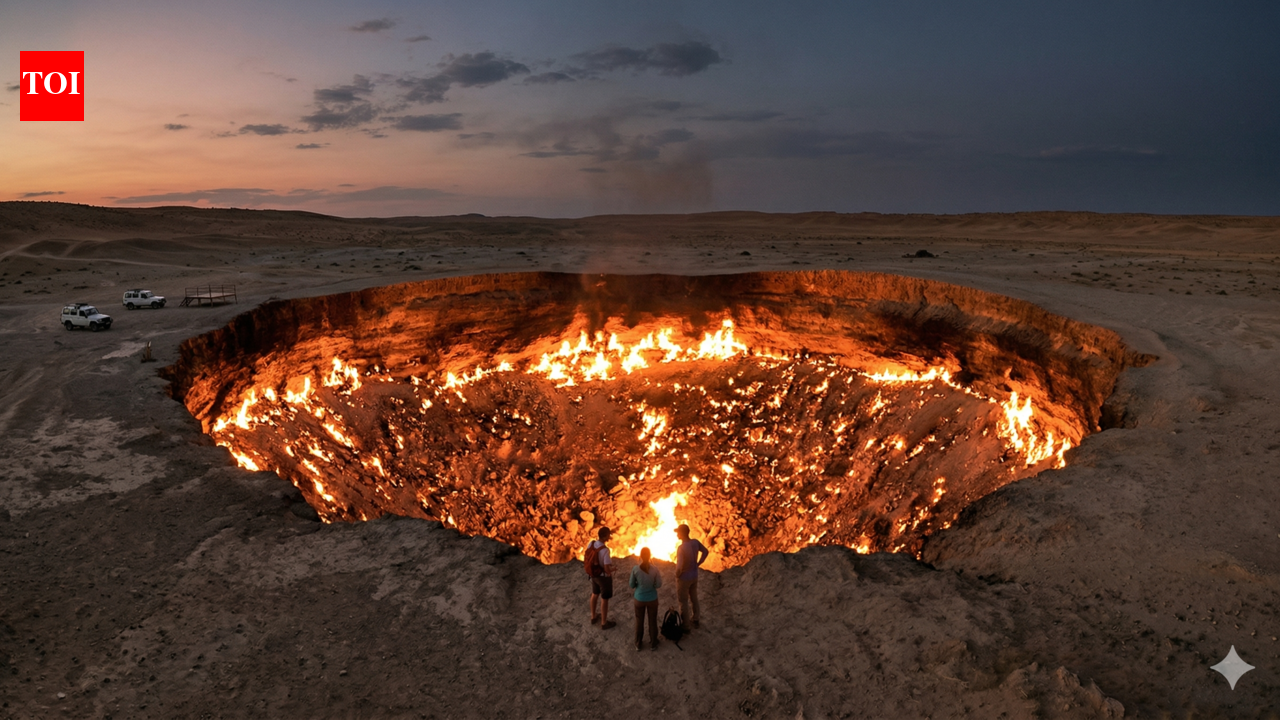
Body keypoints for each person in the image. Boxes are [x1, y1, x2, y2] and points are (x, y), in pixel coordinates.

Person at [674, 523, 709, 630]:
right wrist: (698, 563)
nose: (677, 535)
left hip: (684, 578)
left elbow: (679, 567)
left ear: (682, 534)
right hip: (694, 576)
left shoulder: (681, 548)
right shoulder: (695, 542)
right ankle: (696, 619)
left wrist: (677, 575)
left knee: (683, 601)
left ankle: (686, 625)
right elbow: (705, 551)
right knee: (694, 598)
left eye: (678, 533)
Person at [629, 547, 663, 651]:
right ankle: (653, 643)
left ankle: (638, 643)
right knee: (652, 621)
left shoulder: (635, 569)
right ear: (650, 556)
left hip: (639, 599)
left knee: (639, 621)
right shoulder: (655, 569)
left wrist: (638, 584)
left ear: (640, 556)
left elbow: (631, 585)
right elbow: (658, 585)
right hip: (652, 599)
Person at [587, 527, 616, 630]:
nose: (609, 536)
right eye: (608, 535)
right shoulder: (605, 550)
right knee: (604, 599)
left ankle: (593, 616)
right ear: (605, 536)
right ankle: (604, 623)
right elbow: (606, 568)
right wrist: (613, 570)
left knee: (594, 594)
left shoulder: (591, 544)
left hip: (593, 575)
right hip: (603, 578)